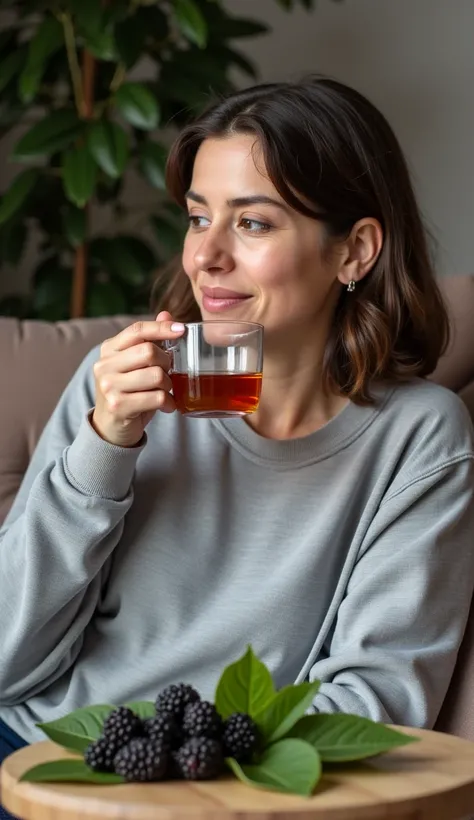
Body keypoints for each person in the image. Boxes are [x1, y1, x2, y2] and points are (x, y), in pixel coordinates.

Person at [1, 76, 474, 806]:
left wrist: (191, 771)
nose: (207, 257)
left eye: (252, 224)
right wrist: (105, 447)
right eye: (197, 218)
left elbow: (379, 701)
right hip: (36, 752)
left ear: (355, 252)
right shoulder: (123, 388)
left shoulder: (418, 439)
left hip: (216, 784)